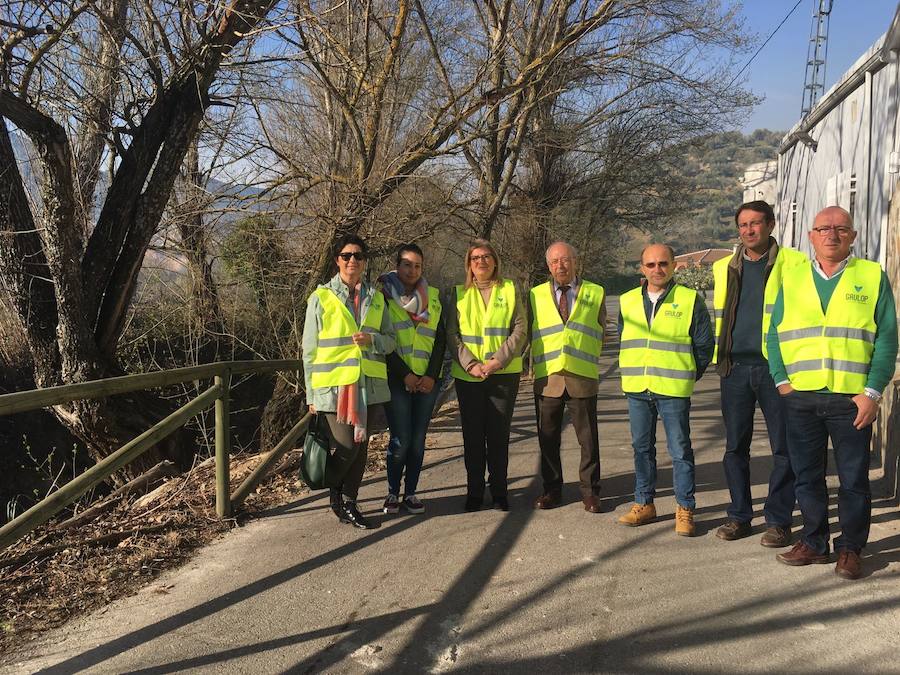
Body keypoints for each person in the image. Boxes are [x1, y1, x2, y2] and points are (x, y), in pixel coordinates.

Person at [767, 206, 897, 579]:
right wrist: (782, 381)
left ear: (852, 236)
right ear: (811, 236)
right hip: (801, 397)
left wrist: (872, 393)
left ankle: (850, 549)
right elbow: (774, 333)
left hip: (851, 399)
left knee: (854, 480)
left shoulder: (871, 276)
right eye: (823, 228)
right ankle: (813, 542)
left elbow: (887, 337)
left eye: (841, 229)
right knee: (806, 475)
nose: (832, 234)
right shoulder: (790, 277)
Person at [712, 200, 808, 547]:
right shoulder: (724, 266)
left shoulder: (794, 263)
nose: (748, 230)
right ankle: (739, 516)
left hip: (776, 369)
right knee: (735, 447)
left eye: (755, 223)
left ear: (770, 225)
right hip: (735, 368)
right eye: (742, 225)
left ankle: (779, 520)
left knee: (784, 447)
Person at [617, 244, 715, 536]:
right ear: (642, 267)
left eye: (662, 264)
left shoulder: (689, 300)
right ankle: (644, 504)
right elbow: (626, 338)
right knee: (641, 449)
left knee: (680, 450)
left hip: (673, 389)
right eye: (651, 265)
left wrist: (687, 374)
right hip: (637, 387)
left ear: (673, 266)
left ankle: (685, 508)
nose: (657, 269)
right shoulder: (627, 301)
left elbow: (704, 345)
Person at [302, 234, 395, 529]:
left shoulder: (377, 298)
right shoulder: (321, 298)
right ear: (337, 261)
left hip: (366, 386)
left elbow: (391, 341)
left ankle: (350, 502)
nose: (352, 260)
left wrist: (373, 340)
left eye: (357, 255)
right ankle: (335, 491)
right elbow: (310, 350)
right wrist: (311, 395)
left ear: (364, 261)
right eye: (346, 256)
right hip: (333, 388)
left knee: (361, 445)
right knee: (346, 446)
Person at [447, 239, 527, 512]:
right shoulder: (457, 293)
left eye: (487, 256)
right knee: (473, 436)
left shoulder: (510, 289)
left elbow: (520, 329)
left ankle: (500, 492)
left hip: (503, 374)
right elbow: (452, 334)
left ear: (495, 261)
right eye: (476, 258)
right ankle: (474, 492)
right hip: (468, 376)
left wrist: (496, 361)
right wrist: (471, 364)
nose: (481, 261)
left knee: (498, 435)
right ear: (469, 264)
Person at [529, 241, 606, 513]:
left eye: (565, 260)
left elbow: (601, 332)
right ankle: (551, 490)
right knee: (547, 438)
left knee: (588, 440)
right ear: (548, 266)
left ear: (575, 261)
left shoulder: (595, 292)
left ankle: (590, 492)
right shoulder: (535, 295)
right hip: (548, 378)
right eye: (554, 262)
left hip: (581, 376)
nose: (560, 265)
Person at [379, 243, 446, 515]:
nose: (412, 270)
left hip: (428, 381)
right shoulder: (383, 297)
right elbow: (383, 341)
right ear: (397, 265)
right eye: (407, 264)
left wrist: (430, 375)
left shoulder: (433, 296)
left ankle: (412, 493)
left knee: (418, 440)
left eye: (417, 265)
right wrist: (405, 374)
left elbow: (439, 339)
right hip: (397, 379)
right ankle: (393, 492)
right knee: (400, 439)